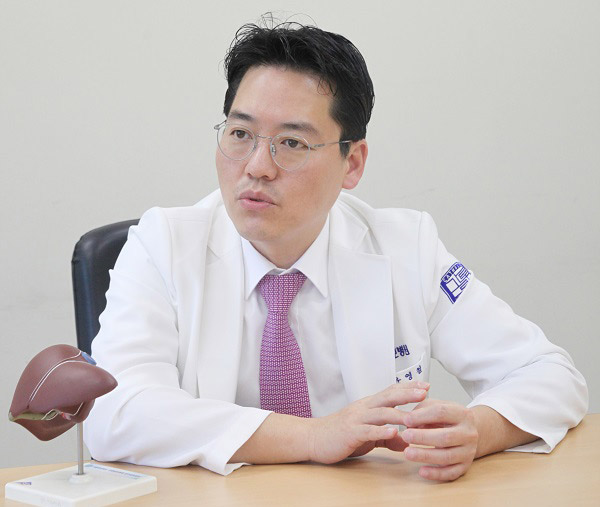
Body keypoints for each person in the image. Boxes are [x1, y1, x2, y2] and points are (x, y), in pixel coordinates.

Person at [84, 20, 588, 482]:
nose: (257, 166)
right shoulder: (162, 245)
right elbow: (113, 411)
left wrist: (478, 429)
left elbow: (549, 374)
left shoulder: (405, 247)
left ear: (353, 163)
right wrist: (314, 436)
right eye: (240, 134)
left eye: (292, 143)